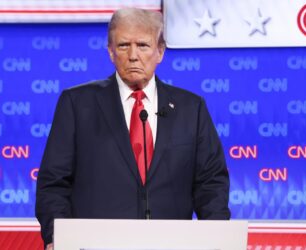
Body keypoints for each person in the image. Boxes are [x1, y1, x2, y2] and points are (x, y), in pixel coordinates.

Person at [35, 8, 230, 250]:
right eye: (124, 45)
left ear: (160, 51)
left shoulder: (191, 108)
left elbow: (211, 183)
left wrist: (218, 238)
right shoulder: (77, 104)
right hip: (94, 245)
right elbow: (53, 182)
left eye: (143, 45)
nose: (133, 55)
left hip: (170, 244)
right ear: (110, 51)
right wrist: (58, 237)